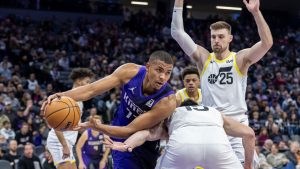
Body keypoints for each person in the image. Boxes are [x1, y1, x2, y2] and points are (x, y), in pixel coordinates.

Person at [171, 0, 273, 165]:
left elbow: (267, 43)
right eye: (213, 37)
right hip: (212, 125)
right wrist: (178, 2)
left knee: (249, 165)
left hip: (237, 126)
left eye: (220, 37)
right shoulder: (203, 58)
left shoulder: (239, 59)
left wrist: (256, 13)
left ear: (230, 38)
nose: (216, 40)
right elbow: (177, 33)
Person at [42, 50, 177, 169]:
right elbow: (91, 90)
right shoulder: (129, 72)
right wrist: (61, 95)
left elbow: (129, 130)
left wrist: (97, 127)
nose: (162, 77)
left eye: (168, 73)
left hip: (143, 144)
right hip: (118, 136)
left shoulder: (167, 102)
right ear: (148, 67)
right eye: (159, 70)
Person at [103, 99, 255, 169]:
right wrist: (247, 165)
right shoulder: (214, 112)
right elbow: (249, 134)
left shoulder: (175, 113)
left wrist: (125, 144)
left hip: (183, 146)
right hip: (218, 147)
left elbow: (148, 134)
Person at [46, 68, 94, 169]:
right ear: (78, 81)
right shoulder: (66, 101)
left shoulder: (79, 100)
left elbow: (74, 126)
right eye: (87, 82)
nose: (89, 84)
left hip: (67, 142)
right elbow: (56, 126)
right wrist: (64, 146)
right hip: (60, 142)